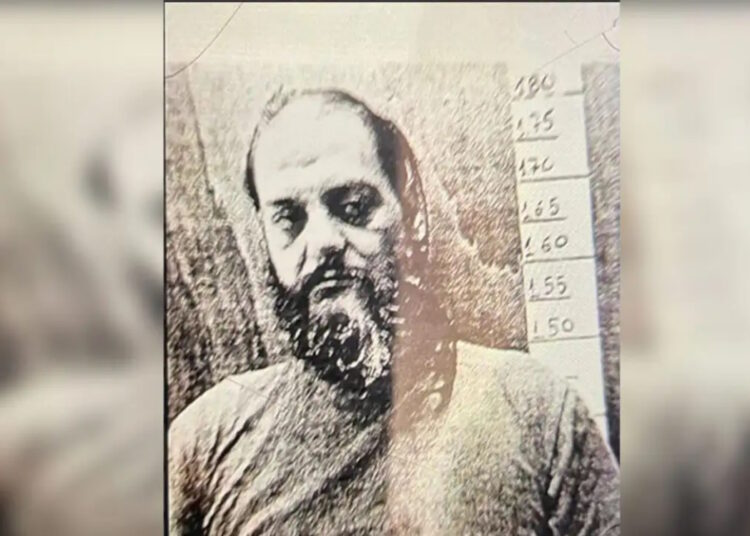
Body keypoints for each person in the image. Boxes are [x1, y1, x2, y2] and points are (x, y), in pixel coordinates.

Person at [168, 89, 620, 535]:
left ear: (411, 214)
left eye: (353, 207)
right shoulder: (205, 445)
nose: (323, 242)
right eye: (290, 219)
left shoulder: (536, 410)